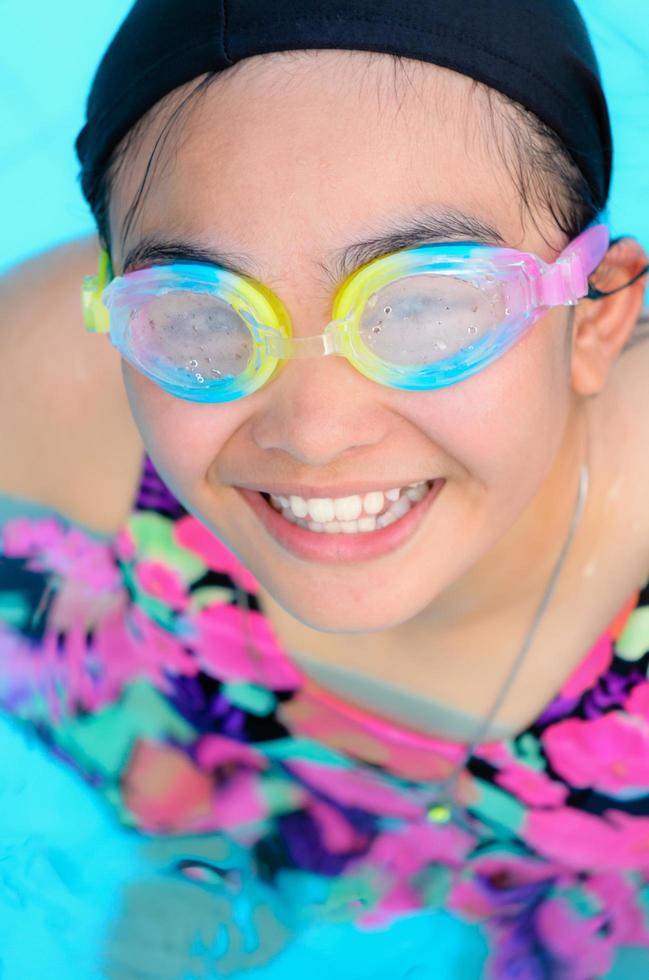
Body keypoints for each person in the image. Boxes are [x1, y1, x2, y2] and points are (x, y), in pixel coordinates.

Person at [1, 1, 649, 976]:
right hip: (208, 756)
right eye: (199, 312)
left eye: (424, 303)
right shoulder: (53, 381)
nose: (312, 430)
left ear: (596, 318)